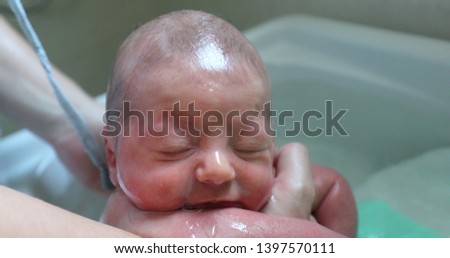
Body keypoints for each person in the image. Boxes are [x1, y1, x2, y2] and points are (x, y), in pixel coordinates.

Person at [0, 11, 356, 237]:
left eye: (248, 145)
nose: (218, 170)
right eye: (175, 147)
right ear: (113, 156)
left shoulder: (284, 181)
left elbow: (333, 187)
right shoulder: (124, 219)